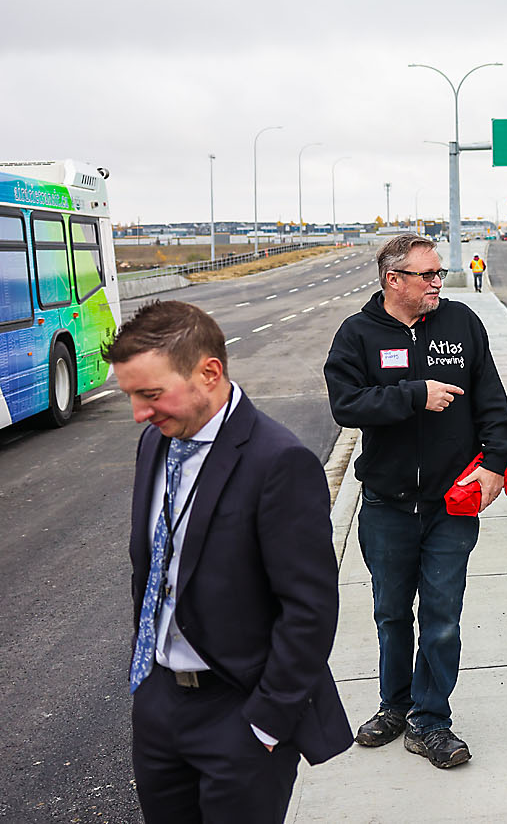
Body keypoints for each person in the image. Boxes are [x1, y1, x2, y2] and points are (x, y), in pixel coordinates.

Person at [108, 300, 351, 822]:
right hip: (159, 703)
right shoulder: (154, 442)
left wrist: (265, 723)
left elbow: (309, 608)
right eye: (131, 396)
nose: (139, 414)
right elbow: (150, 570)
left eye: (150, 395)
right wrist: (146, 686)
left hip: (239, 712)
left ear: (209, 372)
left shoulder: (278, 461)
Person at [323, 233, 507, 769]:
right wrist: (415, 394)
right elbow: (346, 403)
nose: (439, 282)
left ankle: (431, 721)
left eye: (439, 273)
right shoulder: (358, 334)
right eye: (428, 275)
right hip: (386, 506)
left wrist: (497, 465)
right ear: (394, 281)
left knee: (442, 617)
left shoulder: (462, 325)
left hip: (450, 506)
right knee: (390, 614)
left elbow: (491, 400)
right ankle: (396, 705)